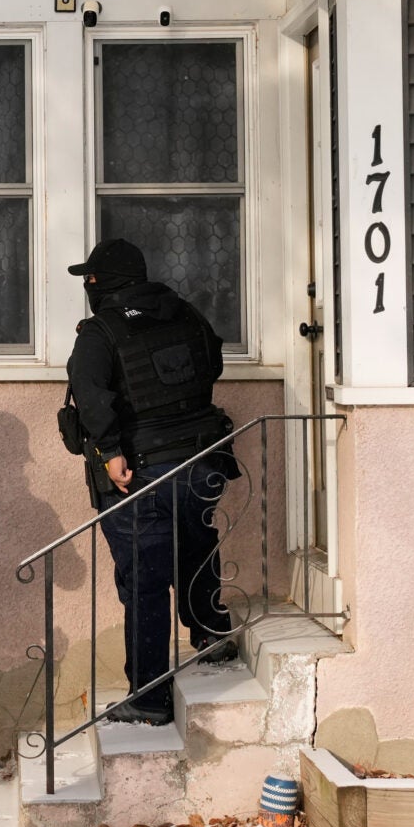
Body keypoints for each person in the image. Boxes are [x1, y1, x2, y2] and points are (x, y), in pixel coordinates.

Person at [61, 237, 238, 728]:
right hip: (202, 459)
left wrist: (113, 452)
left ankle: (150, 696)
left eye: (90, 280)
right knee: (198, 546)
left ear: (105, 283)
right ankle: (210, 635)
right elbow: (214, 361)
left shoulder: (99, 332)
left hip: (141, 470)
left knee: (144, 580)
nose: (88, 289)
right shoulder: (184, 313)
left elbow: (90, 393)